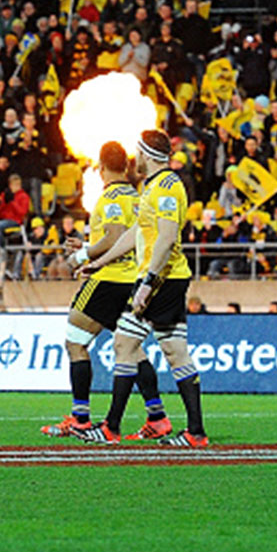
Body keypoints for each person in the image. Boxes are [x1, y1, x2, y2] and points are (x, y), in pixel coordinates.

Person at [78, 130, 208, 447]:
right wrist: (100, 261)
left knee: (123, 344)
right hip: (168, 276)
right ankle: (195, 432)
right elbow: (135, 232)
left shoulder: (166, 187)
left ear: (147, 155)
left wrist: (147, 282)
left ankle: (111, 427)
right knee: (176, 352)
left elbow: (165, 237)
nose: (134, 159)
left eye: (138, 153)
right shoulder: (153, 186)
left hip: (161, 278)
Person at [42, 142, 171, 441]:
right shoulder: (137, 197)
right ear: (126, 167)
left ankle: (80, 419)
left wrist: (84, 255)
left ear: (100, 168)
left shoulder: (110, 197)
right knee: (132, 350)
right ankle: (158, 417)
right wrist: (89, 245)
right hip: (134, 280)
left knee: (75, 342)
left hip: (110, 279)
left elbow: (113, 236)